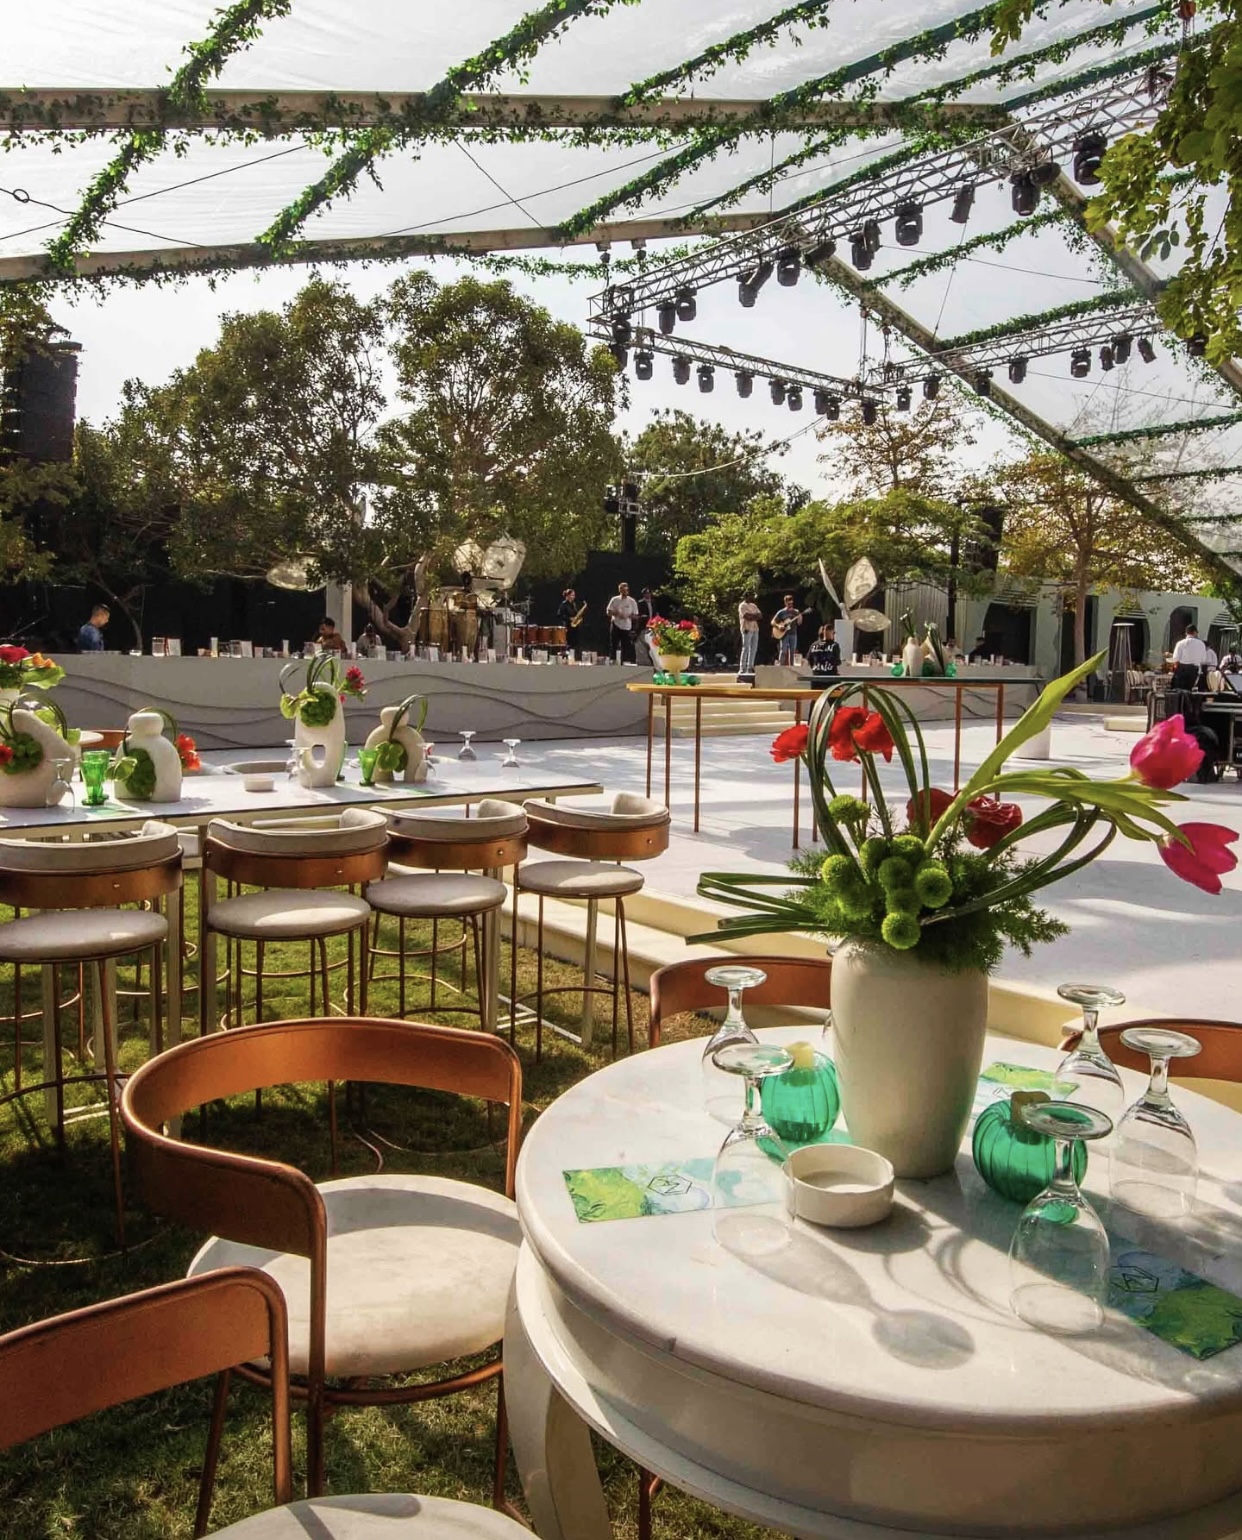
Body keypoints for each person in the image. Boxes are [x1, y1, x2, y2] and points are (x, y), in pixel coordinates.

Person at [606, 581, 639, 662]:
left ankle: (625, 662)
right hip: (616, 624)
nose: (625, 591)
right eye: (622, 590)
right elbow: (608, 612)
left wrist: (628, 616)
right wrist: (617, 613)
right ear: (619, 590)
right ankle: (613, 660)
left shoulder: (632, 601)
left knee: (626, 645)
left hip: (626, 626)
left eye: (626, 590)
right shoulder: (615, 599)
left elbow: (636, 615)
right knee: (614, 644)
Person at [1169, 624, 1208, 691]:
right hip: (1194, 670)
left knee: (1178, 690)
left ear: (1186, 633)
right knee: (1188, 690)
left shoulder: (1181, 643)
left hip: (1182, 669)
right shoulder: (1201, 644)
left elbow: (1175, 658)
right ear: (1195, 632)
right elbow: (1203, 660)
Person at [770, 594, 803, 666]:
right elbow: (772, 622)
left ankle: (792, 667)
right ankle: (781, 666)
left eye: (791, 603)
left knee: (792, 651)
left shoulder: (796, 612)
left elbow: (799, 623)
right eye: (788, 604)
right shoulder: (781, 612)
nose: (790, 605)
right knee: (783, 651)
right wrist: (779, 626)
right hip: (784, 634)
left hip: (793, 633)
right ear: (785, 603)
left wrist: (800, 618)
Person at [737, 593, 762, 676]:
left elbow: (760, 615)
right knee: (746, 648)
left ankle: (750, 667)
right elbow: (746, 616)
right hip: (747, 628)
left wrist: (753, 616)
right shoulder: (742, 606)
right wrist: (754, 616)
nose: (749, 598)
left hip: (755, 628)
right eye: (747, 596)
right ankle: (742, 667)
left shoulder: (753, 605)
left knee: (754, 648)